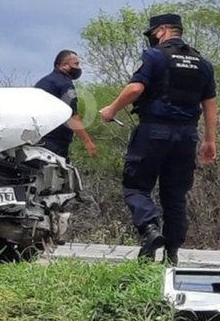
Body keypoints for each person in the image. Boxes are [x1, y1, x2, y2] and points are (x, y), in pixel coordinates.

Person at [100, 13, 217, 265]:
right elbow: (209, 105)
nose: (153, 38)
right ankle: (171, 254)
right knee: (175, 194)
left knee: (136, 186)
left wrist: (111, 109)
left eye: (153, 33)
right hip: (186, 135)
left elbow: (135, 89)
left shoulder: (154, 56)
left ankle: (150, 229)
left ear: (162, 30)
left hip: (153, 131)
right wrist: (210, 141)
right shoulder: (203, 63)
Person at [34, 50, 96, 160]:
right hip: (54, 142)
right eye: (76, 64)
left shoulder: (42, 82)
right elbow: (71, 116)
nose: (79, 68)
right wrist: (88, 142)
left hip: (35, 139)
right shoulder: (65, 85)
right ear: (64, 66)